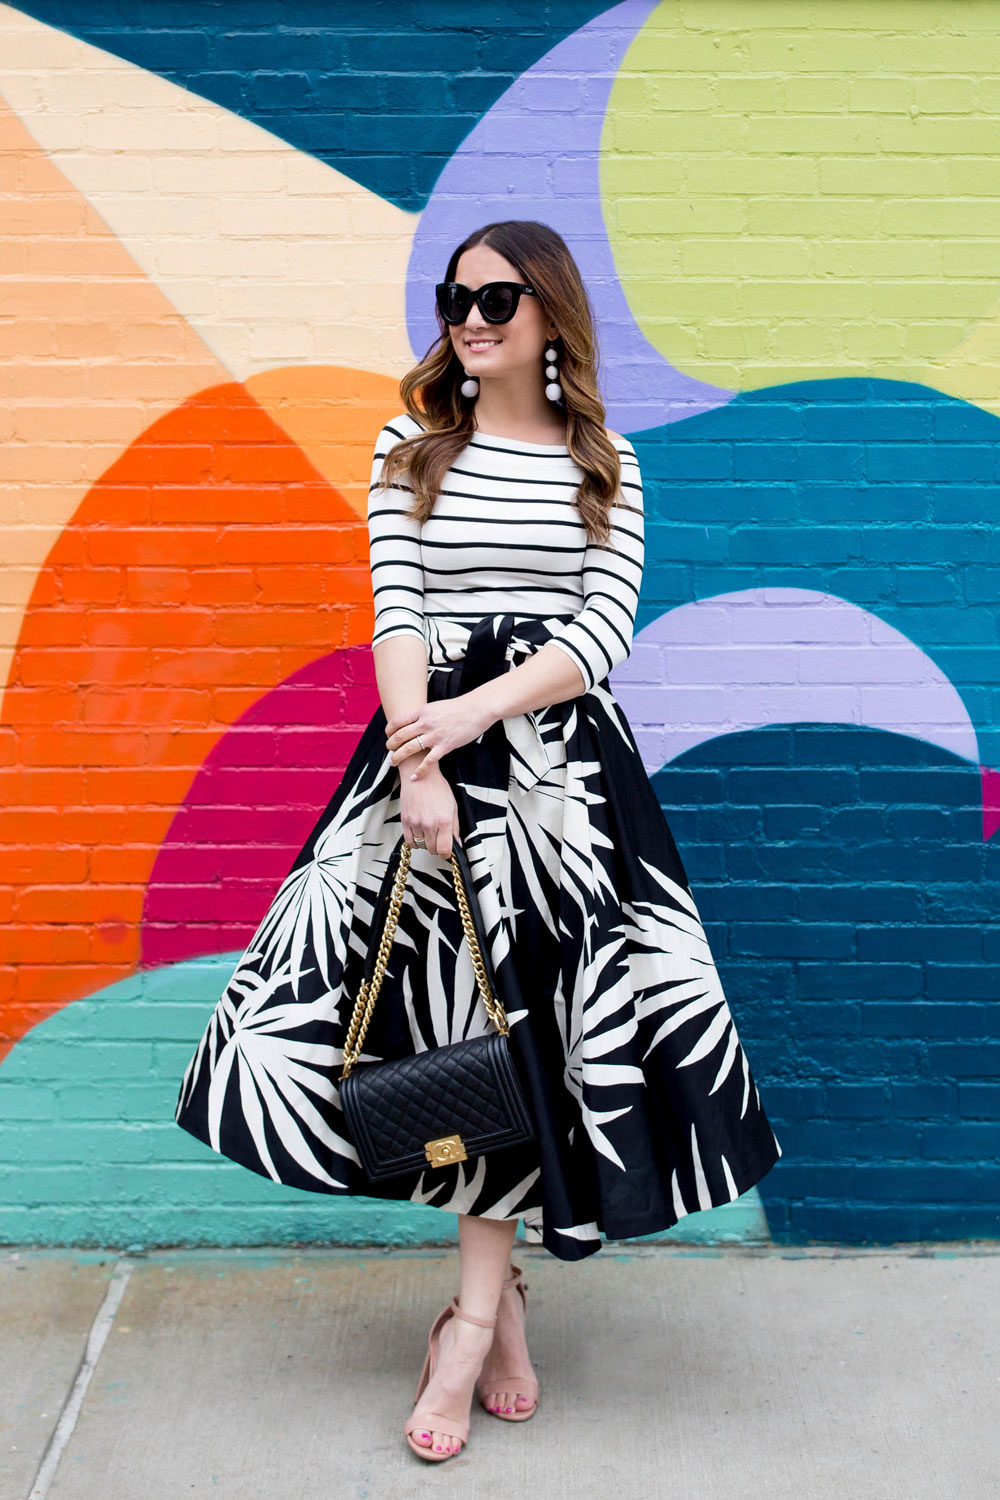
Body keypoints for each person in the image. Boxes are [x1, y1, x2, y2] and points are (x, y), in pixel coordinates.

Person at [174, 219, 782, 1464]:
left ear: (551, 313)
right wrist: (423, 755)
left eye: (498, 296)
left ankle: (475, 1315)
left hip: (561, 789)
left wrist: (476, 713)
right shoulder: (413, 444)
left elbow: (599, 635)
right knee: (448, 1030)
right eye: (457, 295)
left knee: (534, 1032)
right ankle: (485, 1312)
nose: (472, 315)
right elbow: (397, 607)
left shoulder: (603, 459)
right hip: (420, 767)